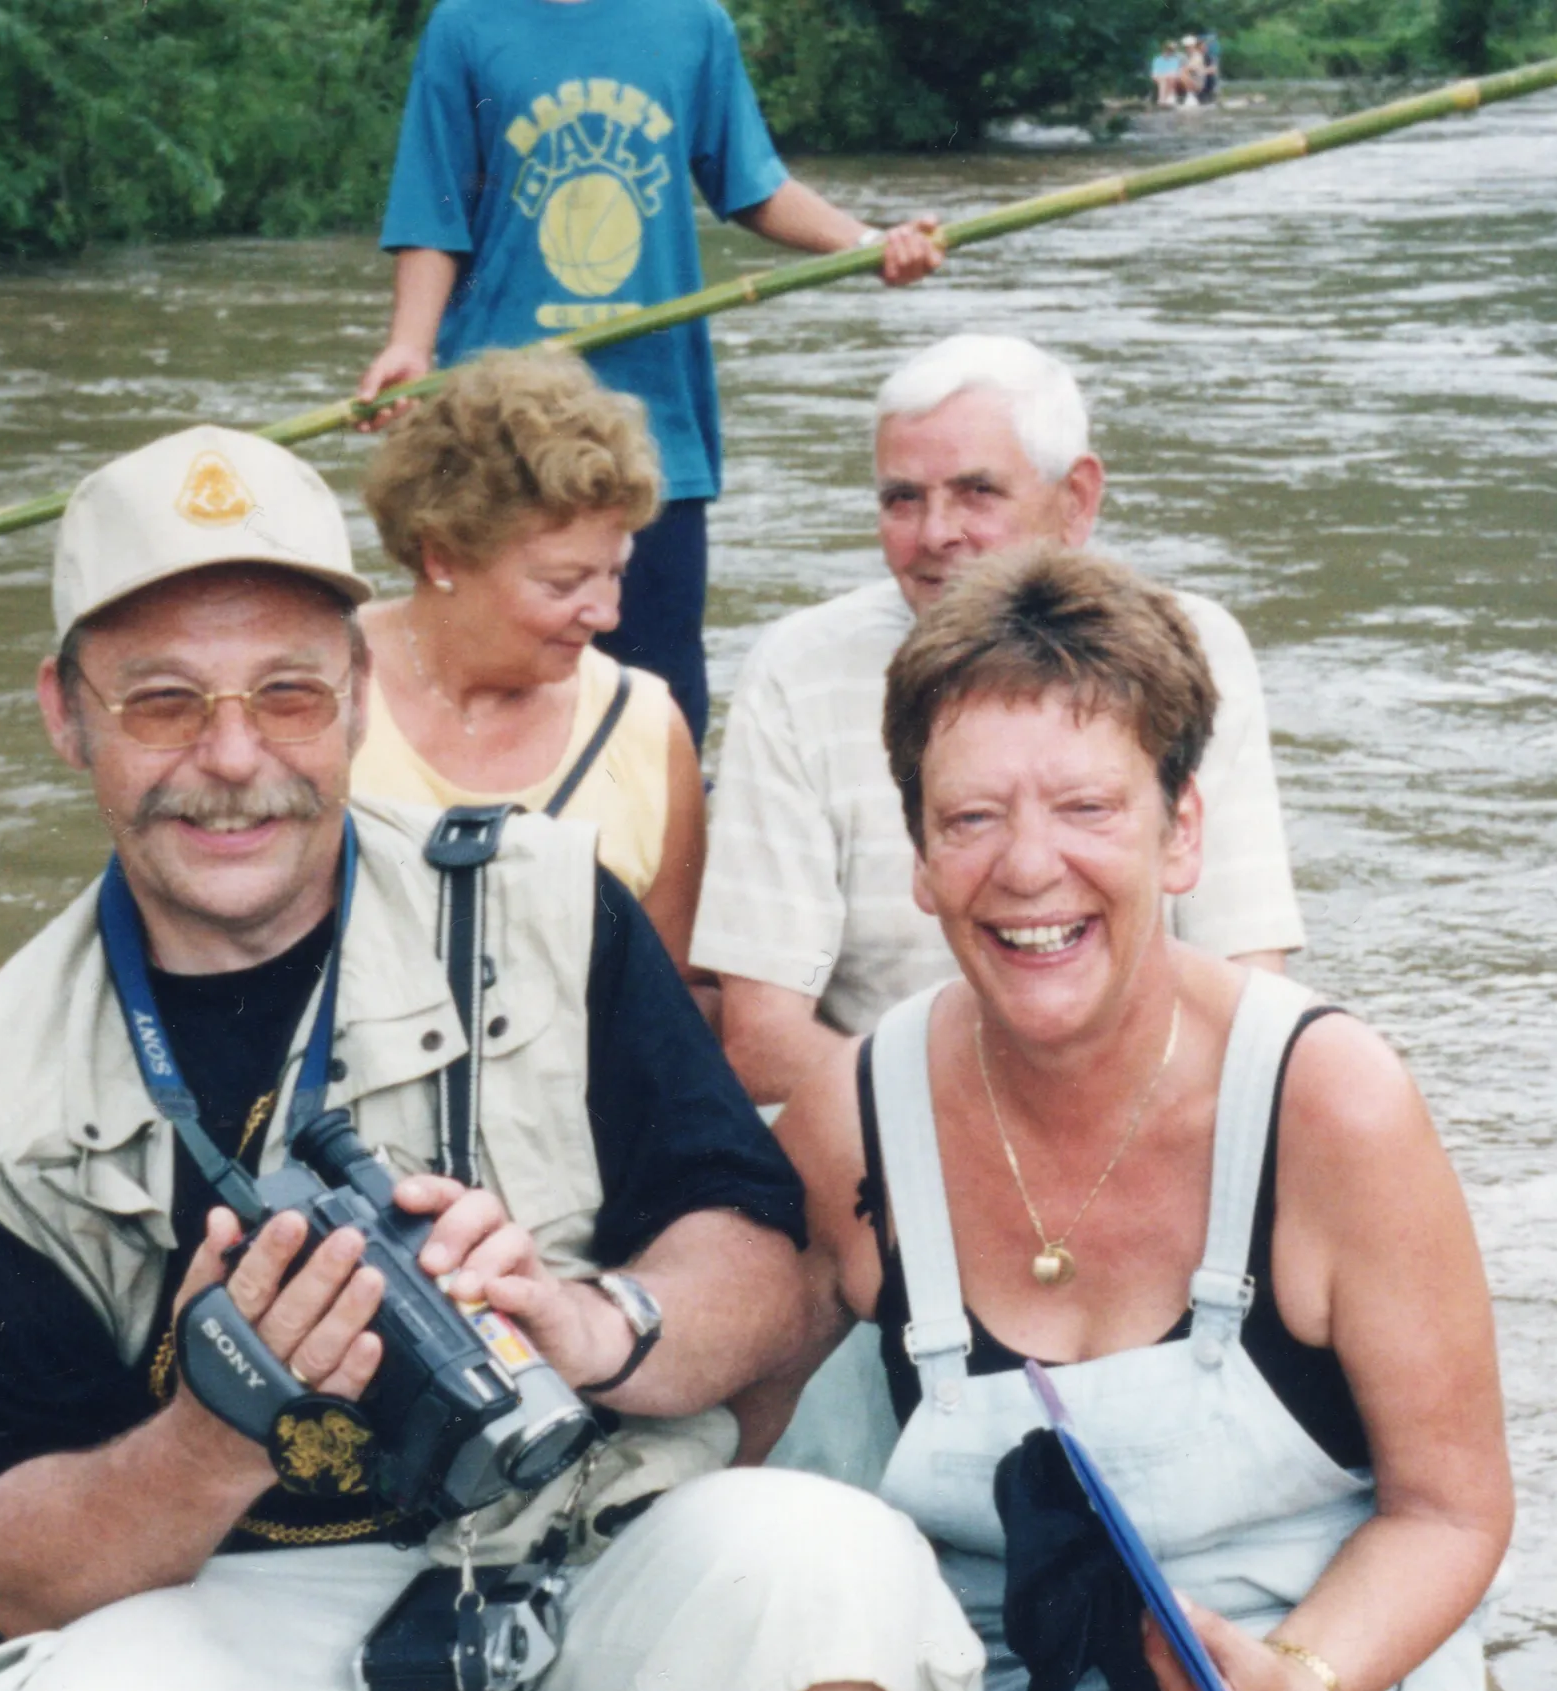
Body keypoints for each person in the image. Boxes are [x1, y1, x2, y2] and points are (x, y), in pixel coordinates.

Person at [0, 423, 989, 1691]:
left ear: (360, 697)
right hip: (228, 1645)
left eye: (289, 696)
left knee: (827, 1568)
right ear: (64, 715)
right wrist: (214, 1428)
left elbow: (759, 1258)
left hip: (584, 1567)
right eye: (162, 703)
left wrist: (594, 1320)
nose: (232, 764)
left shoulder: (545, 904)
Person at [773, 548, 1513, 1691]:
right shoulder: (862, 1112)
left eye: (1088, 808)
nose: (1026, 869)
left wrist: (1298, 1675)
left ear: (1187, 829)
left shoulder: (1330, 1107)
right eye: (970, 818)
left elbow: (1454, 1512)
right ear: (914, 857)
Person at [693, 333, 1306, 1114]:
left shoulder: (1194, 646)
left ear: (1077, 499)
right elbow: (764, 1042)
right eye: (901, 498)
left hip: (1149, 1116)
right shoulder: (797, 670)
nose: (936, 533)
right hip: (893, 1122)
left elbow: (1248, 988)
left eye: (976, 492)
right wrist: (988, 1145)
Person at [357, 0, 949, 739]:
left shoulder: (694, 24)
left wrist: (868, 243)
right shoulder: (465, 26)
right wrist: (409, 345)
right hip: (500, 438)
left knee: (655, 706)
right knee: (494, 687)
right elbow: (433, 212)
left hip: (656, 438)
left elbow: (755, 186)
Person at [354, 346, 709, 967]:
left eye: (615, 573)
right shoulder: (310, 688)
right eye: (563, 584)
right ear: (441, 558)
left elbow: (673, 1005)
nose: (607, 615)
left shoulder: (647, 725)